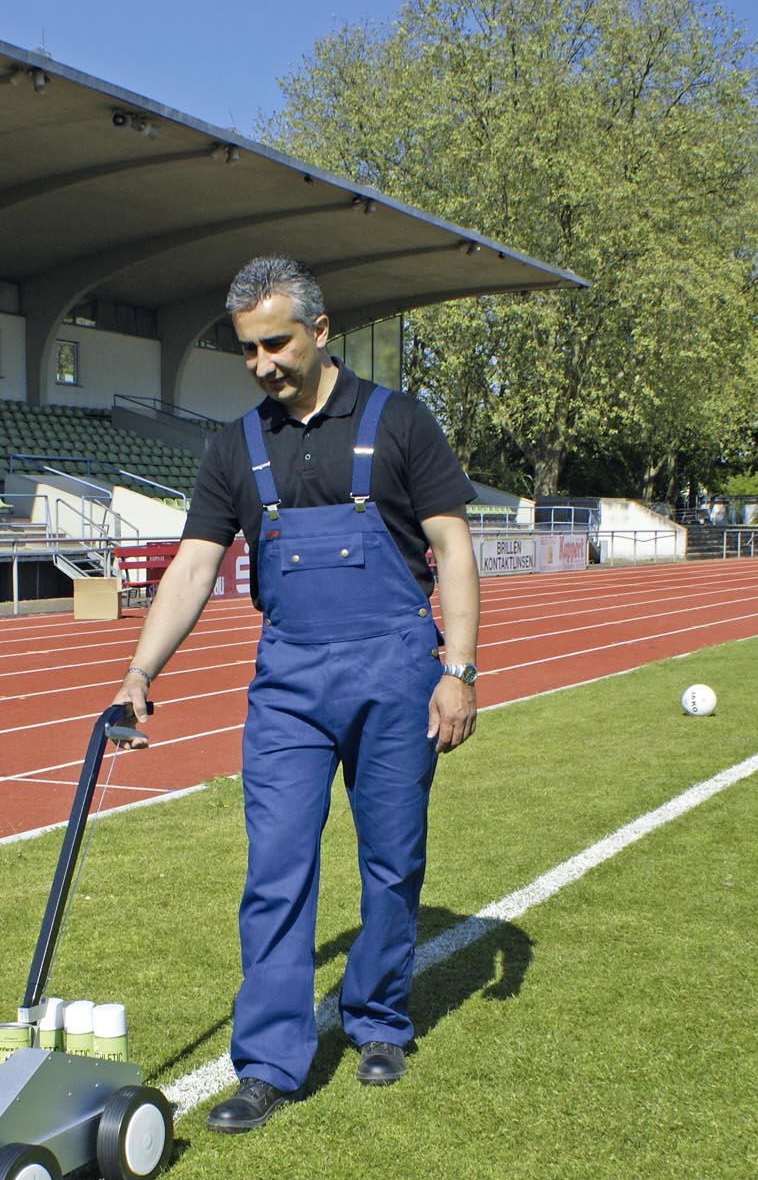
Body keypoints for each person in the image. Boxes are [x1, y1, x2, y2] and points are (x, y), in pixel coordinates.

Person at [111, 256, 481, 1133]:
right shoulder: (234, 445)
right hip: (289, 685)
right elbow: (195, 566)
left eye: (275, 342)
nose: (262, 362)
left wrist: (458, 671)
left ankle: (380, 1020)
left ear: (321, 331)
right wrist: (138, 674)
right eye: (248, 349)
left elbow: (453, 548)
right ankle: (269, 1062)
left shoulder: (399, 424)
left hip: (396, 671)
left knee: (393, 861)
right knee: (276, 869)